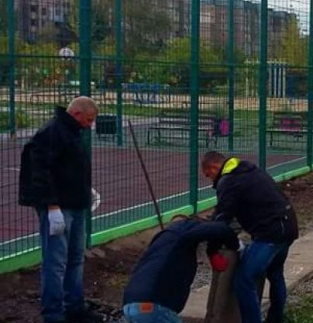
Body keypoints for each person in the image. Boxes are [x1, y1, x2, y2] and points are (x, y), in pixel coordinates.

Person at [18, 96, 105, 323]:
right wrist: (51, 205)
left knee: (76, 257)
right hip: (59, 208)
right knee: (56, 262)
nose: (90, 125)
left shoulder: (72, 132)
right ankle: (54, 314)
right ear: (76, 114)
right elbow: (39, 170)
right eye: (88, 119)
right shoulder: (52, 132)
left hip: (75, 205)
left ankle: (74, 306)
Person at [201, 151, 299, 323]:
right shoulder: (247, 170)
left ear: (214, 167)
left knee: (243, 280)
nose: (210, 180)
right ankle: (275, 319)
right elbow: (232, 211)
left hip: (271, 233)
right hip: (288, 224)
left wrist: (212, 248)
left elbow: (223, 216)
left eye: (209, 175)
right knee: (275, 274)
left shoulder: (229, 181)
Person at [122, 216, 240, 323]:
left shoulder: (162, 242)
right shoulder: (184, 232)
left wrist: (212, 251)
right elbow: (219, 228)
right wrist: (236, 246)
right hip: (153, 306)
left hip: (130, 306)